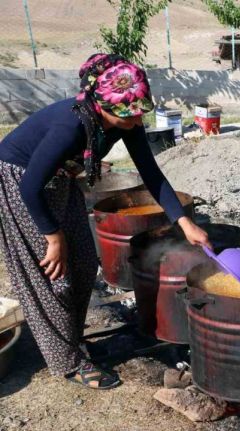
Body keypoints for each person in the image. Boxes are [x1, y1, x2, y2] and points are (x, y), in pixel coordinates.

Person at [0, 54, 210, 389]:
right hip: (21, 181)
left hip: (59, 180)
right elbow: (29, 187)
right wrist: (53, 237)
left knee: (83, 262)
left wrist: (183, 221)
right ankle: (68, 363)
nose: (134, 120)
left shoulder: (126, 120)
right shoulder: (69, 127)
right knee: (54, 276)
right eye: (126, 114)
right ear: (101, 105)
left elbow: (151, 174)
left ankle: (71, 340)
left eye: (139, 112)